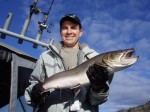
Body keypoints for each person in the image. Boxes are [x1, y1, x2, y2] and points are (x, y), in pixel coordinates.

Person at [24, 14, 114, 112]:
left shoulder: (94, 58)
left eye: (73, 28)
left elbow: (96, 101)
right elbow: (33, 88)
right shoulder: (45, 57)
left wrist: (99, 88)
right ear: (60, 32)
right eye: (65, 28)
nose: (69, 31)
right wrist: (34, 93)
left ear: (80, 32)